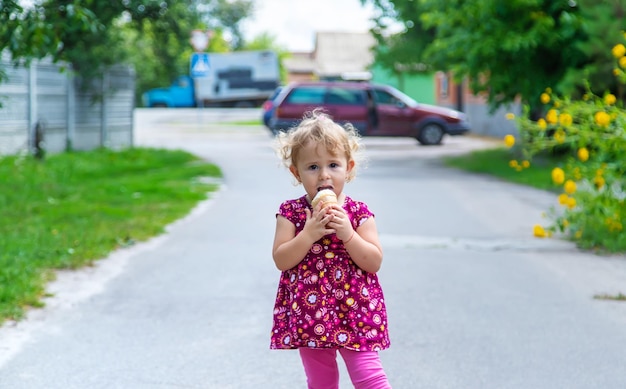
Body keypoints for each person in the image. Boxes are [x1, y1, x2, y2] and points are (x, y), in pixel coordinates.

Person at [270, 109, 392, 389]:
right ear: (296, 172)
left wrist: (348, 233)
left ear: (348, 168)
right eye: (312, 167)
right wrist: (308, 235)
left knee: (370, 377)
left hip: (356, 310)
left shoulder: (359, 214)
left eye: (333, 165)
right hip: (310, 314)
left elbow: (373, 261)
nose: (324, 175)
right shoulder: (291, 213)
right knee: (321, 381)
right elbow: (281, 259)